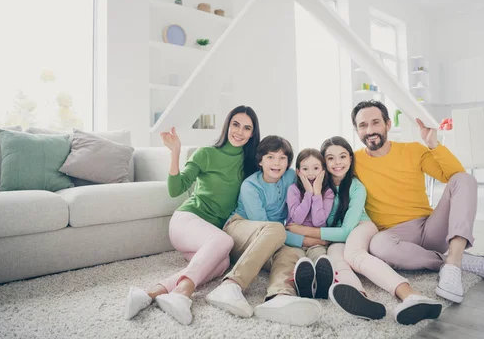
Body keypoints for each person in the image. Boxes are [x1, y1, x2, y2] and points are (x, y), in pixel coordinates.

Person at [351, 100, 484, 305]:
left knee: (464, 179)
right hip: (393, 236)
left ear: (388, 124)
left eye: (375, 122)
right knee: (377, 245)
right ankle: (448, 262)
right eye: (363, 125)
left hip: (429, 227)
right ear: (357, 130)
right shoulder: (352, 161)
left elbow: (452, 176)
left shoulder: (413, 150)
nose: (370, 130)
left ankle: (454, 261)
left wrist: (433, 144)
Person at [123, 105, 260, 325]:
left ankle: (149, 294)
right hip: (186, 222)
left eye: (247, 128)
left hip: (209, 237)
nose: (239, 131)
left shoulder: (250, 165)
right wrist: (175, 152)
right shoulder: (206, 153)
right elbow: (175, 189)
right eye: (236, 124)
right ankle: (183, 294)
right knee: (224, 241)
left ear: (252, 134)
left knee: (223, 262)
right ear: (227, 125)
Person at [288, 137, 442, 325]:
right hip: (334, 235)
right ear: (323, 163)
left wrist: (304, 231)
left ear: (351, 159)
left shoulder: (356, 187)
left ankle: (411, 295)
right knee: (335, 258)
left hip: (360, 226)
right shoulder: (319, 186)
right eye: (330, 158)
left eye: (343, 156)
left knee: (354, 255)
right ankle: (359, 297)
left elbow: (346, 231)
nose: (337, 163)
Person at [206, 136, 323, 326]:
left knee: (292, 252)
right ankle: (230, 285)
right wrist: (307, 240)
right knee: (278, 231)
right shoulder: (250, 186)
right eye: (270, 157)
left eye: (282, 158)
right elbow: (265, 225)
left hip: (272, 236)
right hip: (240, 228)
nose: (276, 163)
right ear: (260, 161)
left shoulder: (291, 177)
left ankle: (279, 296)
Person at [286, 148, 335, 299]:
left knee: (320, 256)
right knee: (297, 261)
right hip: (294, 240)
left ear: (323, 170)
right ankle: (304, 285)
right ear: (298, 172)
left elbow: (319, 221)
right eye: (305, 169)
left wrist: (317, 193)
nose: (311, 173)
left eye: (316, 168)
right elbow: (298, 218)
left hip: (315, 242)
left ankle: (321, 287)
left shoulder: (328, 193)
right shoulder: (293, 189)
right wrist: (308, 193)